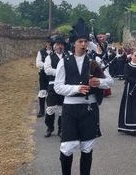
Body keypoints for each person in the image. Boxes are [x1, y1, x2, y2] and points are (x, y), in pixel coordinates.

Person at [54, 18, 114, 175]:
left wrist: (98, 82)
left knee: (87, 147)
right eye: (80, 41)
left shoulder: (95, 61)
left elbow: (110, 81)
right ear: (74, 43)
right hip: (70, 109)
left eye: (85, 41)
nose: (83, 44)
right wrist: (76, 88)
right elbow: (58, 87)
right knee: (67, 147)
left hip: (89, 109)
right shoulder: (64, 62)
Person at [43, 35, 67, 138]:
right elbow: (47, 70)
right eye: (57, 45)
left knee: (62, 109)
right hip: (52, 85)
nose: (59, 47)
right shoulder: (49, 57)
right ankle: (49, 127)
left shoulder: (68, 57)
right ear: (54, 46)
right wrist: (60, 72)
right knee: (50, 108)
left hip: (64, 85)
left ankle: (61, 129)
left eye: (61, 45)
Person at [35, 37, 52, 117]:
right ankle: (41, 111)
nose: (49, 44)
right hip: (43, 75)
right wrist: (47, 65)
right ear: (46, 43)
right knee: (42, 91)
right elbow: (38, 63)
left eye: (51, 43)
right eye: (48, 43)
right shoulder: (41, 52)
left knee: (52, 92)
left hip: (53, 75)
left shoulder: (54, 52)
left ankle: (51, 110)